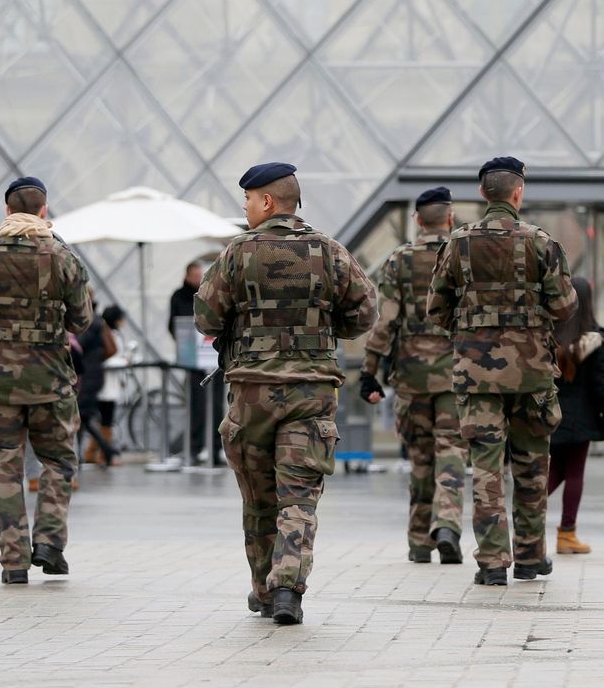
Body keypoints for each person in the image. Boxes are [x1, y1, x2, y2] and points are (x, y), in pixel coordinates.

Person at [194, 162, 376, 624]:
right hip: (312, 393)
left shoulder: (238, 253)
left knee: (258, 498)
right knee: (298, 498)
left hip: (252, 393)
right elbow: (365, 312)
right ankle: (287, 591)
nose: (247, 208)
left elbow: (207, 318)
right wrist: (326, 327)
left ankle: (262, 586)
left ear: (268, 202)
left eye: (250, 200)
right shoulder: (329, 251)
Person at [427, 157, 577, 586]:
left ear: (482, 193)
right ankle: (530, 557)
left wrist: (471, 325)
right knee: (532, 465)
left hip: (476, 375)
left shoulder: (457, 243)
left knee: (487, 468)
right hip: (532, 374)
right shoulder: (541, 243)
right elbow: (565, 307)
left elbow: (436, 309)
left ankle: (493, 563)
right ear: (518, 193)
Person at [0, 176, 93, 584]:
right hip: (50, 380)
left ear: (7, 211)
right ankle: (49, 541)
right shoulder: (62, 258)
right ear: (44, 211)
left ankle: (13, 562)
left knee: (5, 468)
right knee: (59, 461)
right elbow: (82, 320)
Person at [359, 187, 467, 565]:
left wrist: (369, 371)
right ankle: (448, 524)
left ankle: (420, 541)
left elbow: (385, 321)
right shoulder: (462, 255)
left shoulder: (399, 260)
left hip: (411, 376)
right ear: (449, 218)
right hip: (456, 372)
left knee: (421, 457)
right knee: (452, 451)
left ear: (418, 219)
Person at [549, 276, 604, 554]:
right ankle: (567, 534)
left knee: (556, 469)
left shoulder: (551, 337)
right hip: (582, 416)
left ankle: (526, 508)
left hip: (551, 414)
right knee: (574, 472)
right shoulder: (594, 339)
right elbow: (599, 383)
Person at [169, 263, 224, 466]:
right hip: (195, 361)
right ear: (188, 275)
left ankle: (215, 448)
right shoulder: (179, 296)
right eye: (196, 275)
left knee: (217, 406)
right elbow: (175, 325)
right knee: (197, 406)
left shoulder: (211, 295)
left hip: (213, 359)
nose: (199, 278)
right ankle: (194, 447)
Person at [81, 304, 127, 466]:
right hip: (105, 384)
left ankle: (93, 452)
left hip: (102, 382)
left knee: (98, 420)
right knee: (104, 419)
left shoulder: (103, 331)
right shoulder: (104, 333)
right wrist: (124, 361)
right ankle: (102, 453)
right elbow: (108, 355)